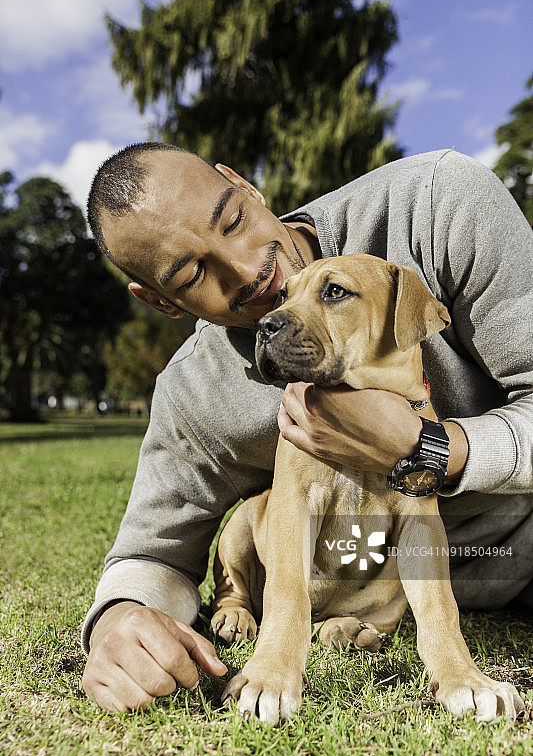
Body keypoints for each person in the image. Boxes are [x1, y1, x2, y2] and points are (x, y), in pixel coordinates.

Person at [81, 142, 533, 713]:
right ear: (162, 302)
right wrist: (119, 619)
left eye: (233, 220)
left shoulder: (439, 204)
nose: (248, 269)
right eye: (195, 273)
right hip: (375, 590)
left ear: (243, 182)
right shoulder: (192, 394)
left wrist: (431, 449)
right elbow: (154, 553)